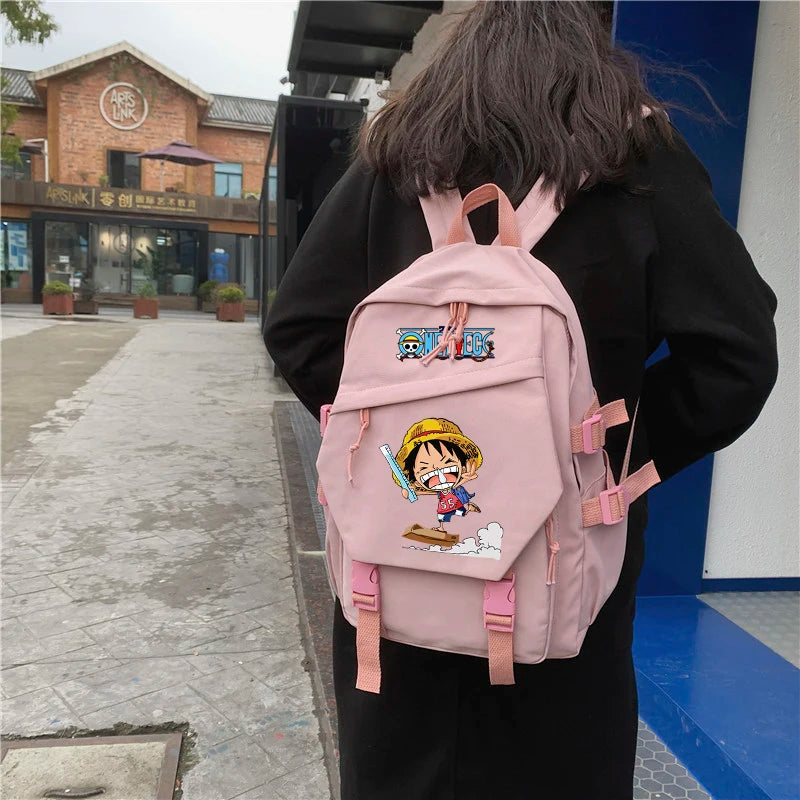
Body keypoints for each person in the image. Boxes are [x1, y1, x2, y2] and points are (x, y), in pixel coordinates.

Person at [264, 3, 778, 798]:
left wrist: (389, 452)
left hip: (393, 582)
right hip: (565, 593)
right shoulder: (635, 155)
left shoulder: (399, 152)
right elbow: (737, 356)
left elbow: (298, 328)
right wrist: (599, 465)